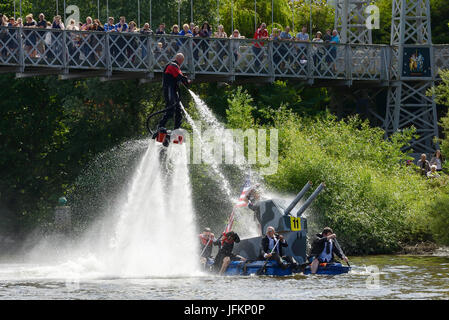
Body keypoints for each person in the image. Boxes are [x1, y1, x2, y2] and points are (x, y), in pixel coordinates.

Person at [153, 53, 192, 140]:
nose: (181, 62)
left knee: (178, 110)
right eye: (182, 61)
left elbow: (180, 76)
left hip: (173, 92)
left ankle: (176, 130)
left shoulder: (176, 67)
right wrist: (187, 80)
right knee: (170, 110)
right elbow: (179, 76)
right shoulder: (172, 65)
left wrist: (185, 80)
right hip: (169, 91)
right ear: (180, 60)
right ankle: (160, 127)